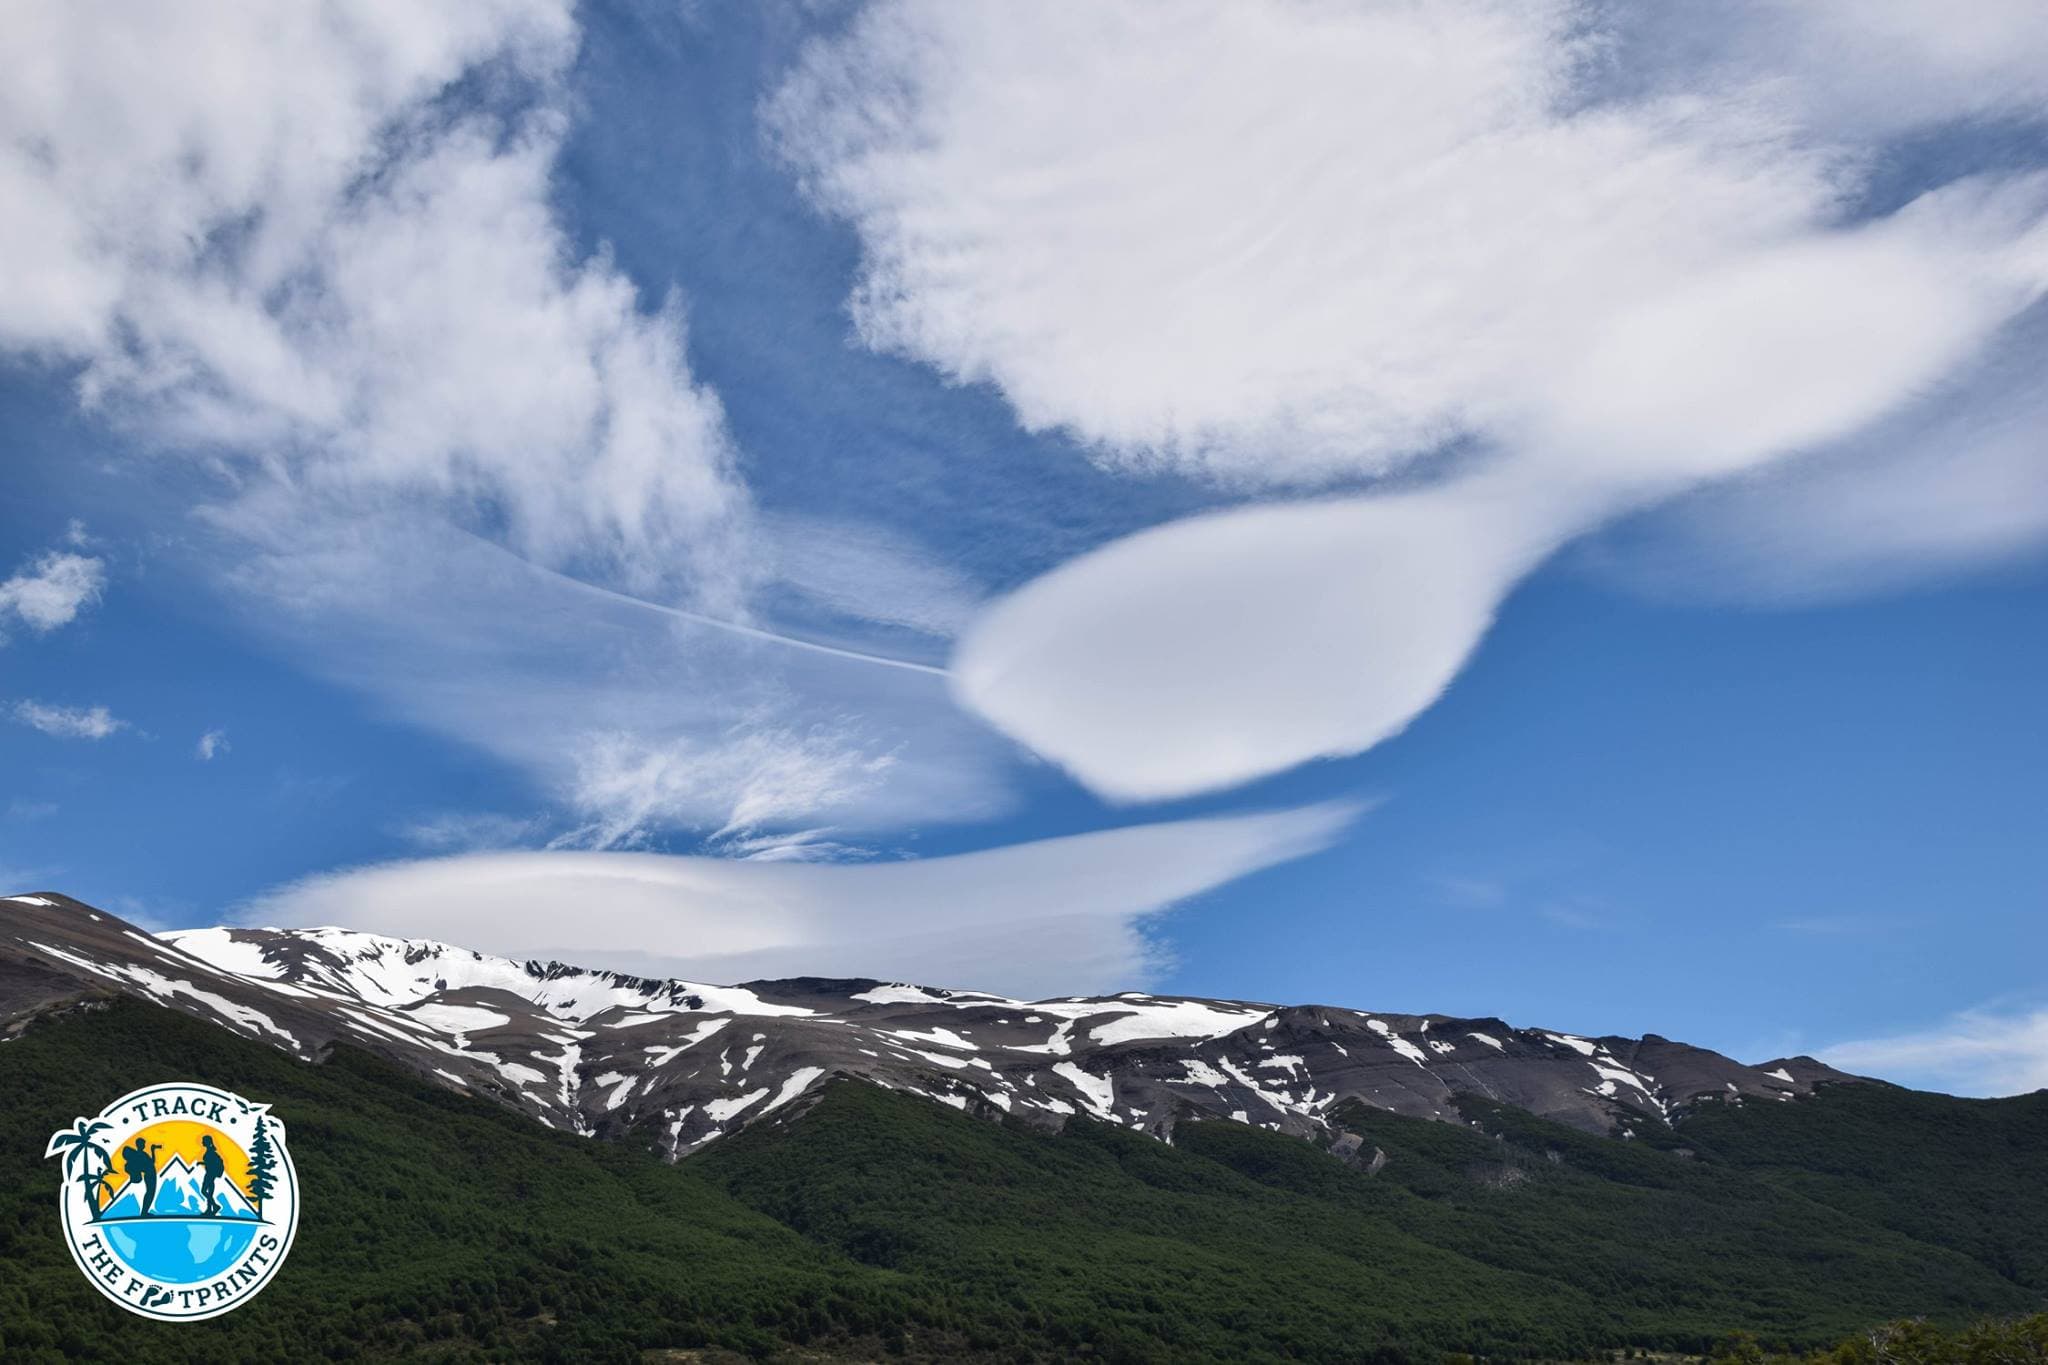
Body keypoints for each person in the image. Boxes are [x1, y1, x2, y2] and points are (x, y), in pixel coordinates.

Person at [120, 1137, 160, 1217]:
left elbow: (151, 1162)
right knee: (150, 1193)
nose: (144, 1145)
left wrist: (152, 1150)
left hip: (151, 1174)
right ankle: (144, 1213)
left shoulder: (142, 1154)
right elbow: (149, 1163)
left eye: (144, 1144)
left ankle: (144, 1212)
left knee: (150, 1193)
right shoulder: (140, 1155)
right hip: (150, 1175)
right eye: (142, 1144)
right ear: (139, 1145)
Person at [198, 1134, 227, 1216]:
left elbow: (211, 1163)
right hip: (211, 1174)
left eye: (203, 1141)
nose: (202, 1142)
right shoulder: (210, 1151)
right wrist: (202, 1163)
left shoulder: (210, 1152)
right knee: (209, 1192)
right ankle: (210, 1209)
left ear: (207, 1142)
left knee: (204, 1191)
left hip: (210, 1174)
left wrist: (204, 1163)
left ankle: (214, 1206)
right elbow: (209, 1162)